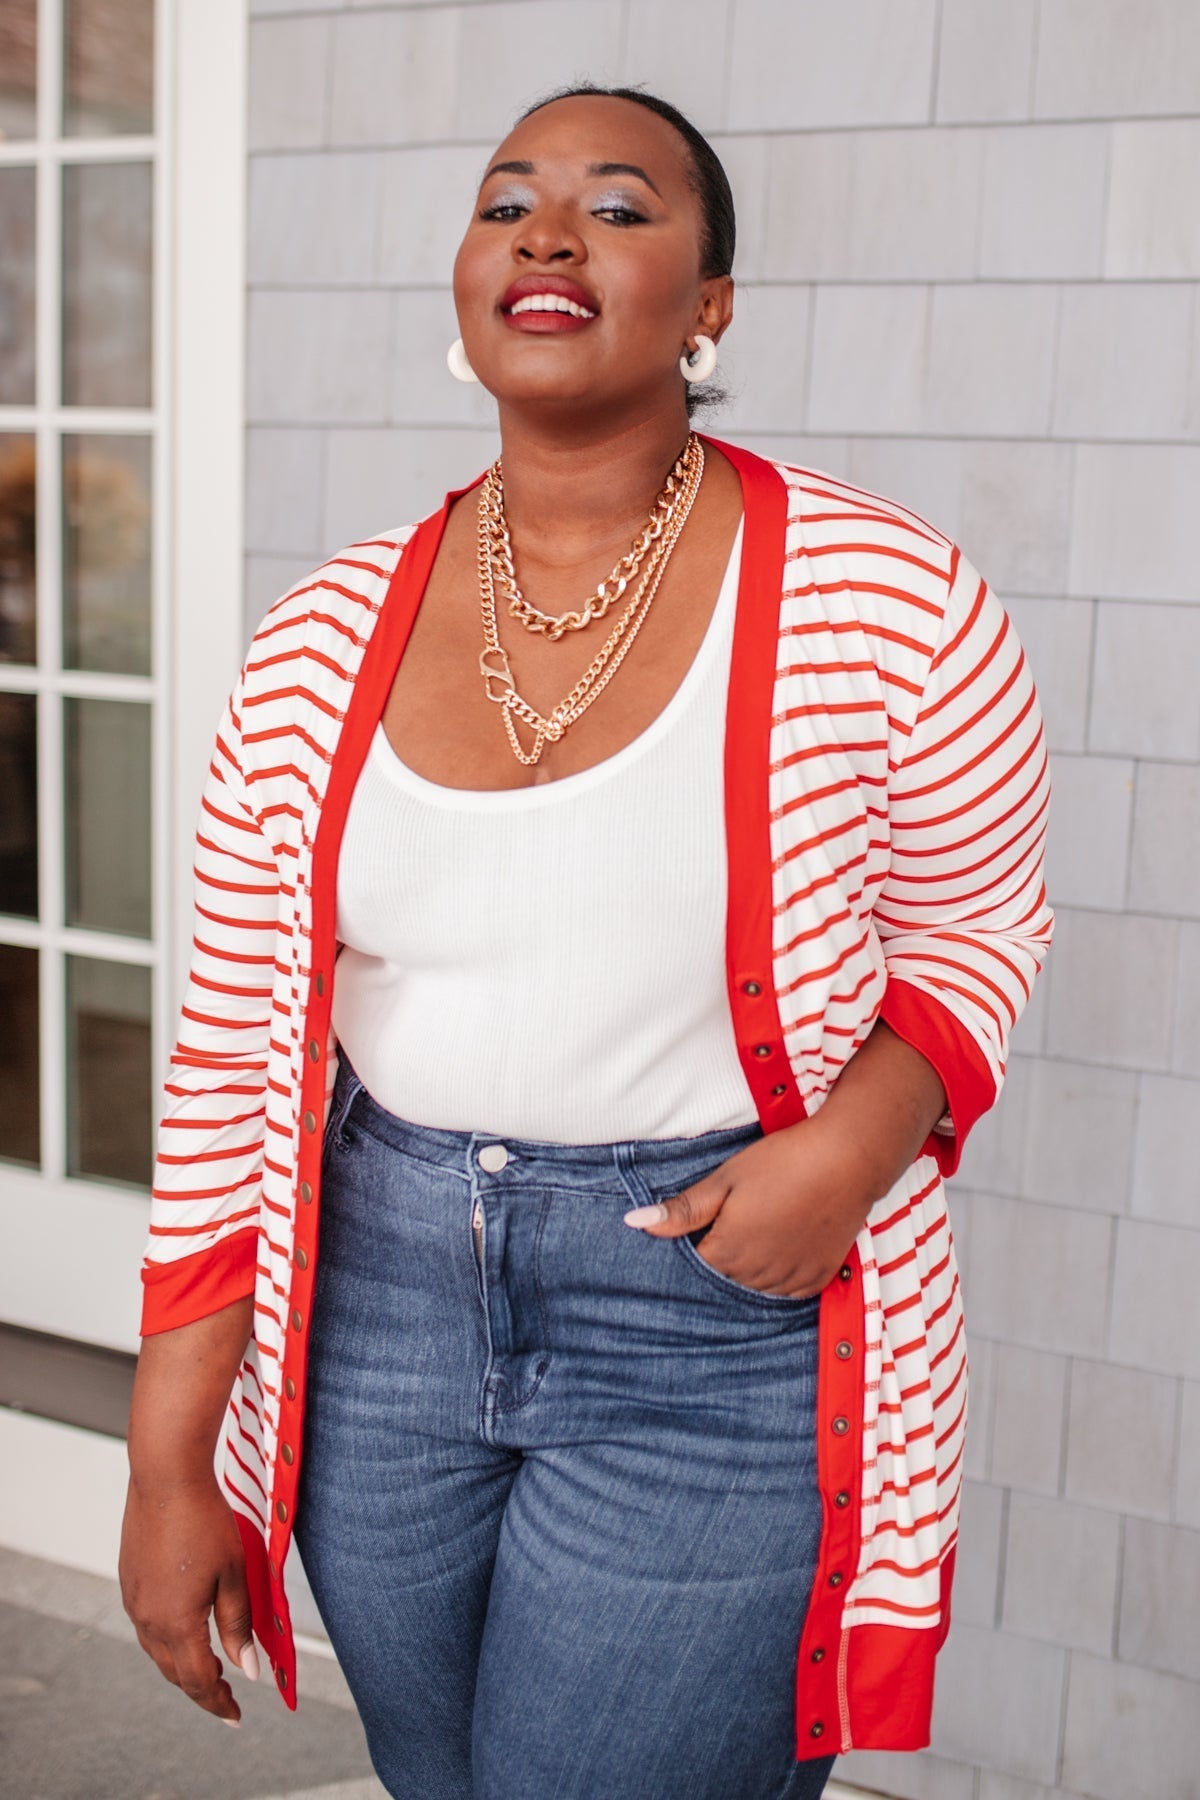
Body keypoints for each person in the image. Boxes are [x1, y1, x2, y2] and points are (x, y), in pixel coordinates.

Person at [118, 83, 1054, 1800]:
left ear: (710, 305)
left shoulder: (893, 602)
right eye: (507, 204)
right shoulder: (318, 635)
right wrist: (170, 1457)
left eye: (619, 209)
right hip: (381, 1315)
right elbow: (229, 1048)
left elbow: (979, 927)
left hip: (716, 1320)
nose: (548, 236)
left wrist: (848, 1153)